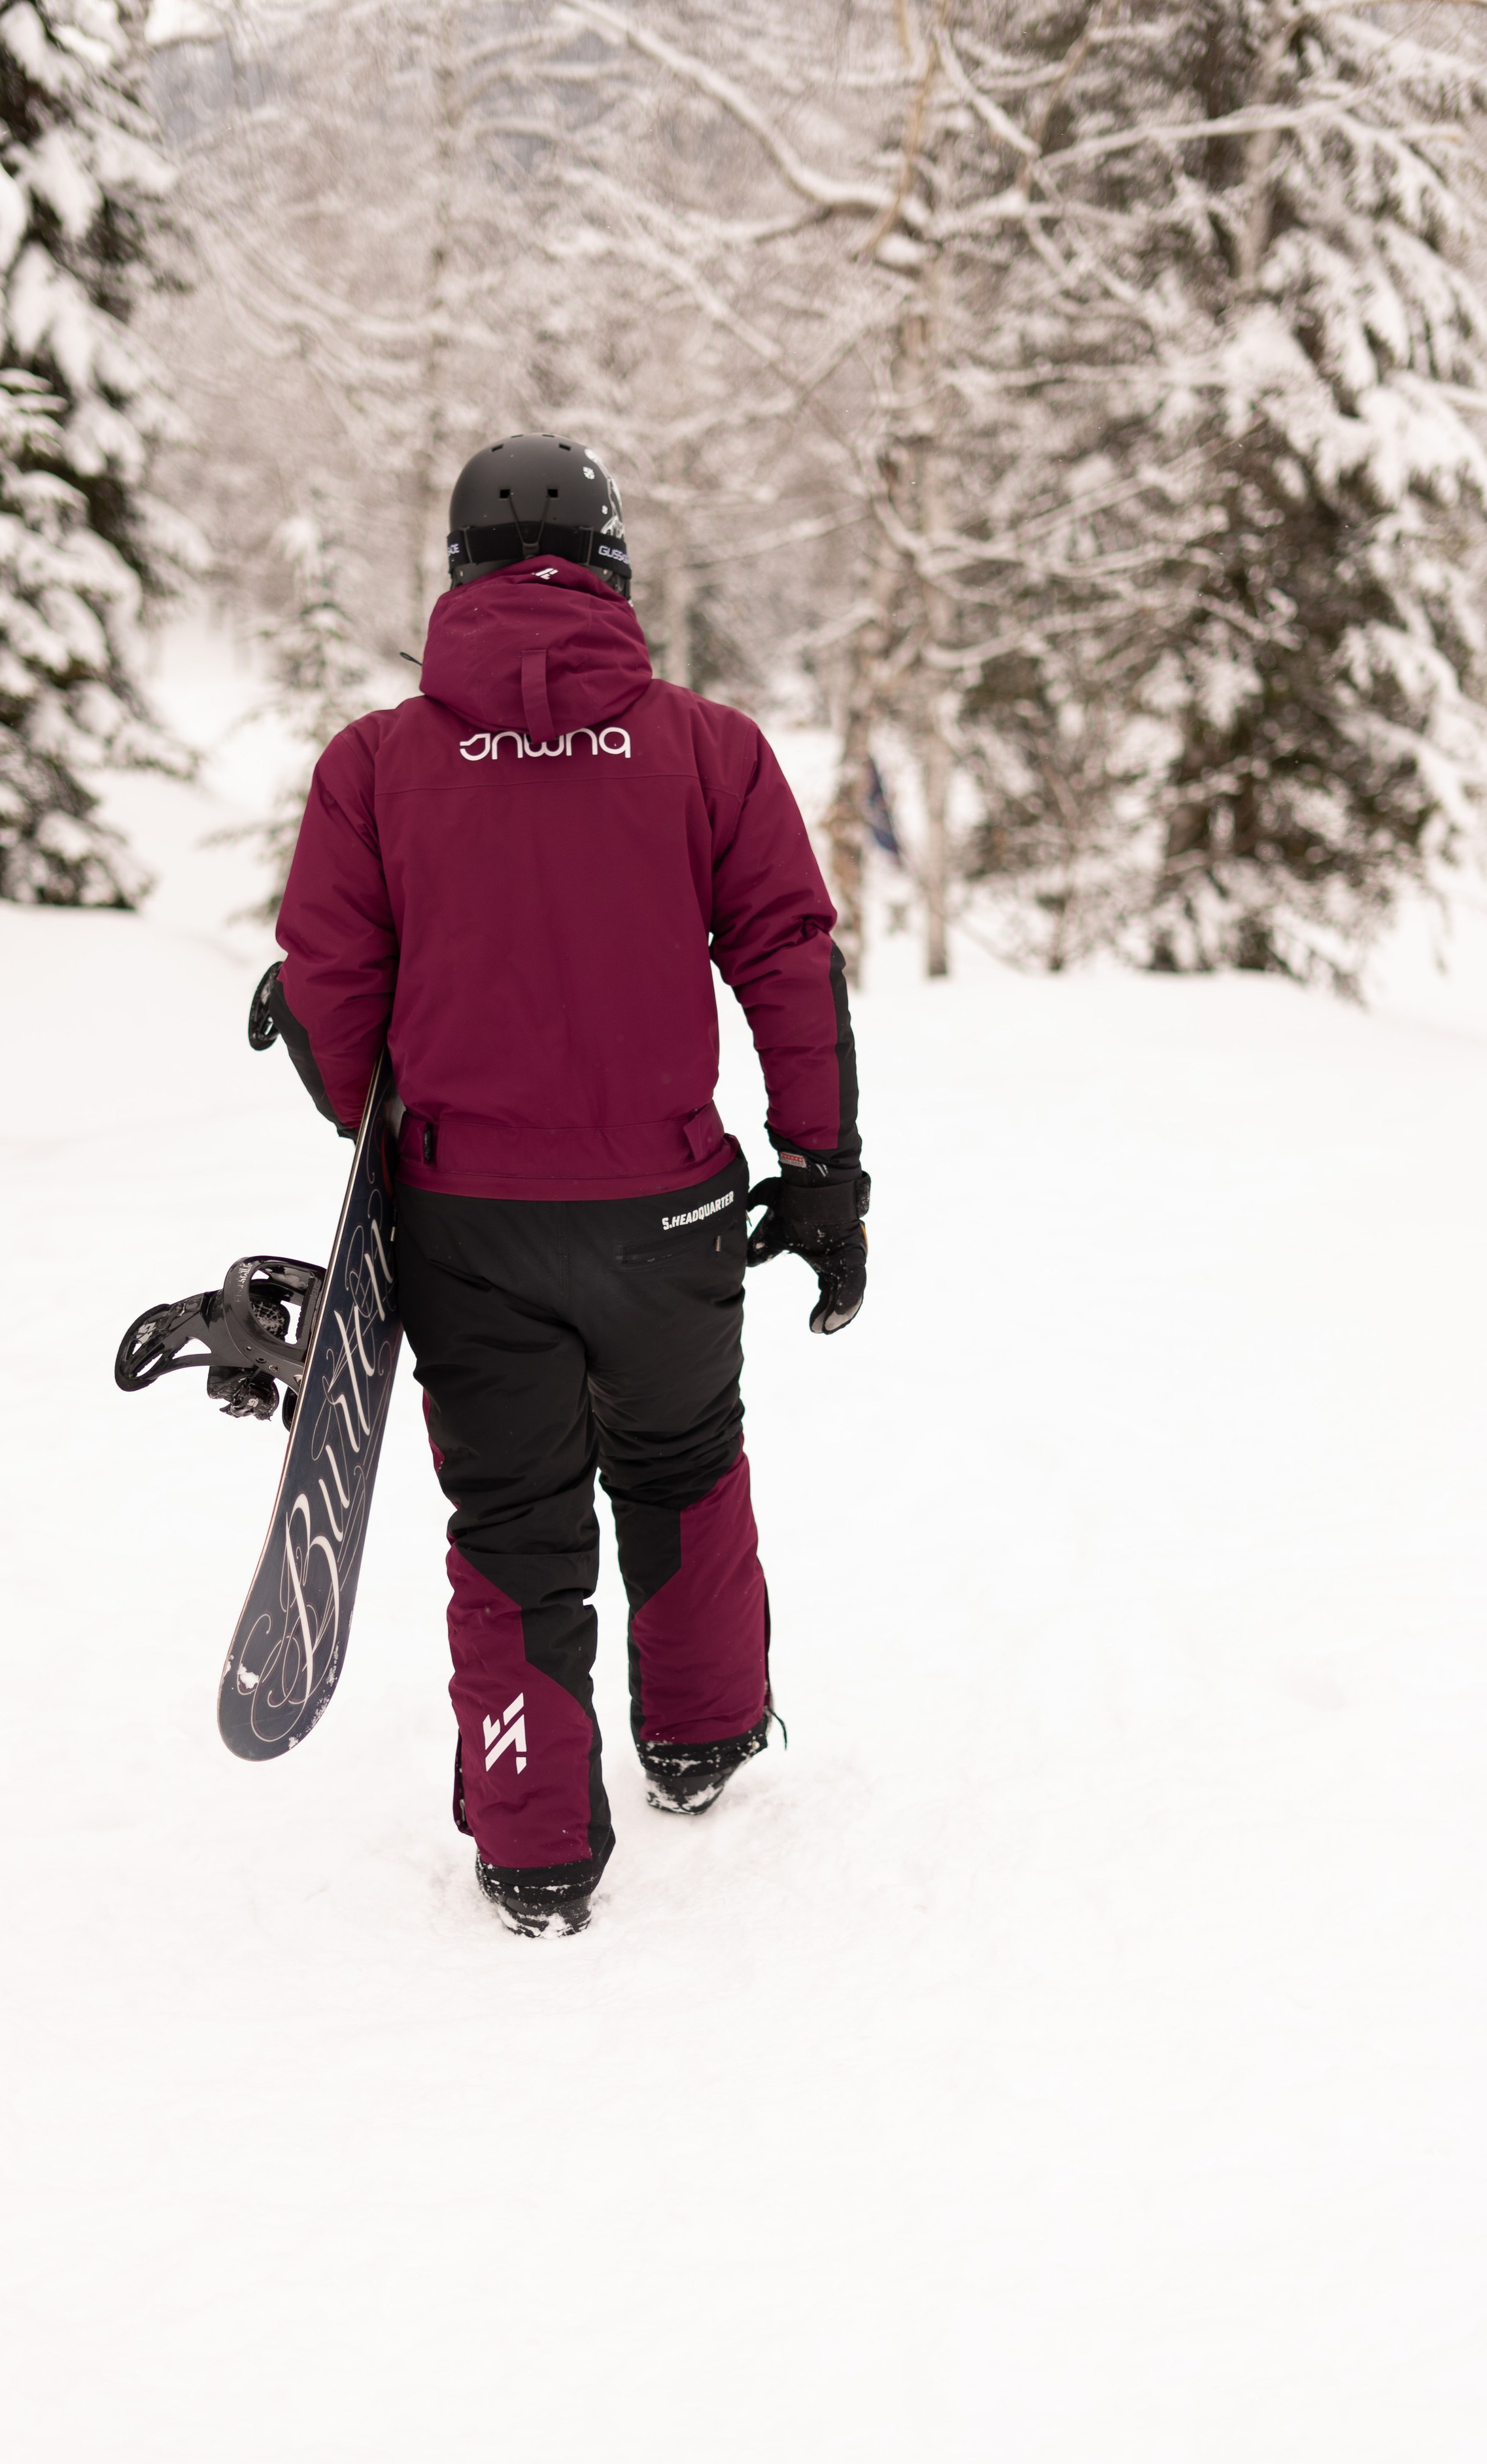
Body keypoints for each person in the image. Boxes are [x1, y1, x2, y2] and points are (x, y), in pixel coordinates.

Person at [270, 433, 870, 1936]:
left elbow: (335, 993)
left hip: (464, 1222)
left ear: (459, 575)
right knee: (681, 1465)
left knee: (513, 1526)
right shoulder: (707, 751)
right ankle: (700, 1736)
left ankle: (534, 1844)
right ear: (612, 572)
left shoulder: (375, 764)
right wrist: (822, 1175)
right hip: (665, 1217)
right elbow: (789, 962)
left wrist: (380, 1127)